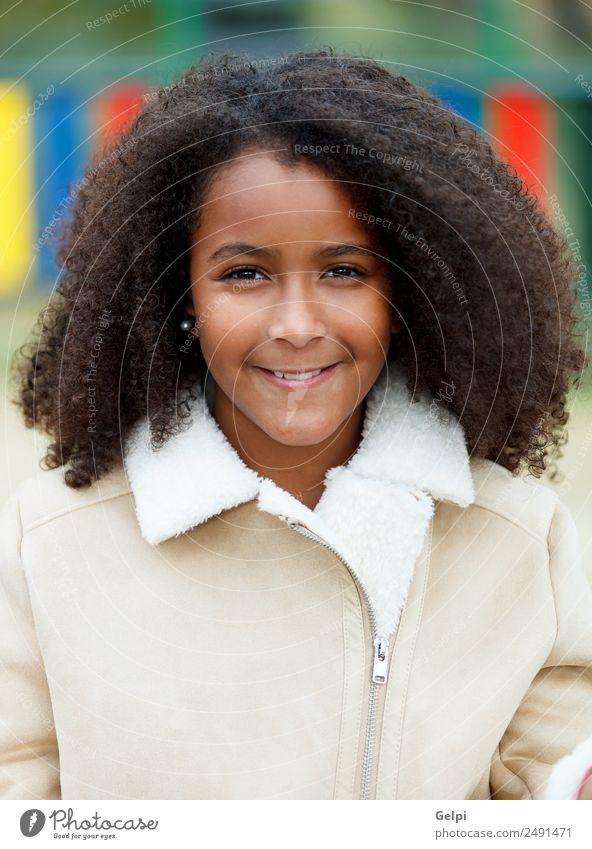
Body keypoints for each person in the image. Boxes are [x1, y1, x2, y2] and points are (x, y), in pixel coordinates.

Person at [1, 47, 591, 801]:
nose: (297, 324)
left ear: (410, 289)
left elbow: (559, 768)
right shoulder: (52, 541)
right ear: (178, 292)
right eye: (244, 273)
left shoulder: (513, 535)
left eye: (345, 270)